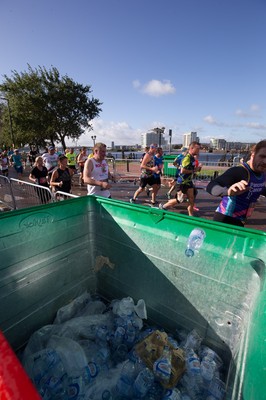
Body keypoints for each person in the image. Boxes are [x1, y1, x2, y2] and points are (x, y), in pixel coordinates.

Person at [206, 140, 266, 227]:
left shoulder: (263, 174)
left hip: (241, 220)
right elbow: (211, 186)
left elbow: (260, 189)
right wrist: (228, 191)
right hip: (224, 219)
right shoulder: (240, 171)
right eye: (262, 156)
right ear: (253, 155)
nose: (265, 162)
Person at [159, 141, 202, 216]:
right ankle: (163, 206)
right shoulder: (187, 158)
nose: (199, 150)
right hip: (182, 182)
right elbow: (183, 170)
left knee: (191, 199)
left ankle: (191, 216)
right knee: (179, 200)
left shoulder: (192, 158)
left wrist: (198, 168)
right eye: (197, 148)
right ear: (191, 148)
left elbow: (192, 169)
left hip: (188, 182)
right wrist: (194, 170)